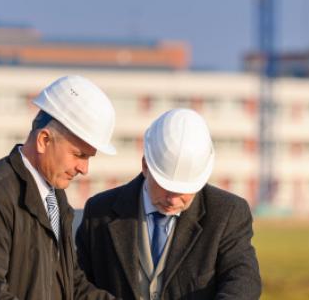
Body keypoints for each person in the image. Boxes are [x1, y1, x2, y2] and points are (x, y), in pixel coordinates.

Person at [0, 76, 117, 300]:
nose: (84, 168)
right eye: (78, 155)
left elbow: (71, 285)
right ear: (44, 140)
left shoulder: (56, 199)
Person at [76, 108, 261, 300]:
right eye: (165, 186)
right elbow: (79, 284)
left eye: (184, 191)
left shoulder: (228, 213)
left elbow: (244, 281)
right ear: (146, 165)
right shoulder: (99, 212)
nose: (173, 199)